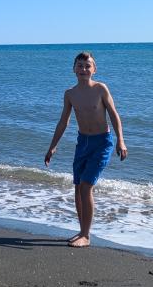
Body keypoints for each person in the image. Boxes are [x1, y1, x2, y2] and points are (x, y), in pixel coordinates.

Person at [45, 51, 127, 247]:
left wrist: (120, 141)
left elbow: (114, 115)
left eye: (87, 65)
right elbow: (63, 122)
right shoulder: (70, 94)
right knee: (78, 187)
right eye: (80, 66)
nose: (83, 69)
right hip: (83, 143)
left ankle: (86, 236)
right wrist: (52, 147)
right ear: (74, 69)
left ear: (94, 69)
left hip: (102, 142)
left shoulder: (100, 89)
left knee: (86, 185)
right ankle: (82, 231)